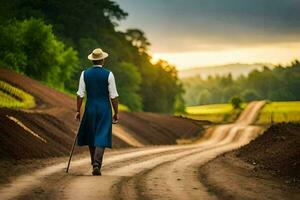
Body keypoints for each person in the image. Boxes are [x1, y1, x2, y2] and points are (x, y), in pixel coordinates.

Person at [75, 48, 119, 176]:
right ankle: (96, 164)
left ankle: (94, 163)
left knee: (91, 136)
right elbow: (114, 96)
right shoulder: (109, 74)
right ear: (103, 60)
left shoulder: (84, 74)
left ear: (92, 61)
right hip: (104, 109)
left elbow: (80, 94)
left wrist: (78, 110)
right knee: (102, 135)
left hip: (90, 108)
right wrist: (116, 112)